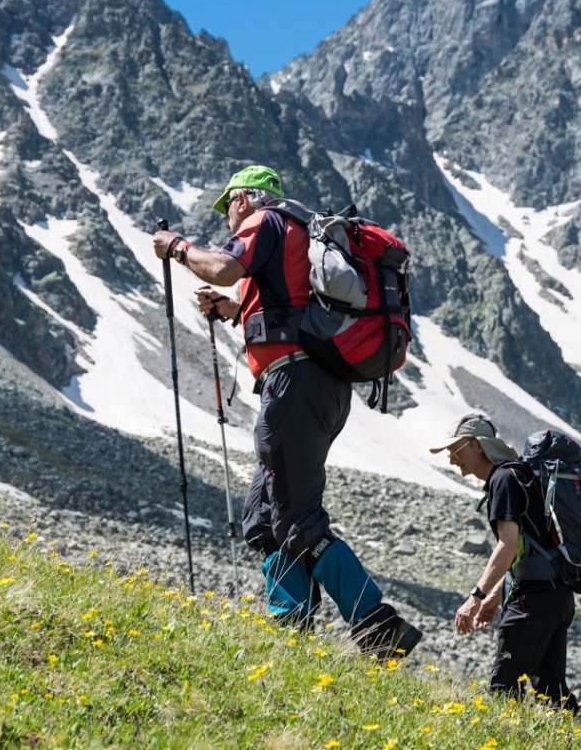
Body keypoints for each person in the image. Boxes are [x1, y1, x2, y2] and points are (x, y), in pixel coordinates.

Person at [152, 165, 421, 658]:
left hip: (296, 386)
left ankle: (379, 625)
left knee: (298, 519)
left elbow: (225, 267)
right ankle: (289, 636)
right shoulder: (295, 238)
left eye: (229, 204)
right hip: (315, 385)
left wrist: (178, 247)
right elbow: (290, 313)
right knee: (263, 519)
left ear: (247, 198)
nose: (229, 217)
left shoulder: (268, 221)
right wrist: (231, 312)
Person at [430, 412, 581, 712]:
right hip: (555, 594)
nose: (452, 459)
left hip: (533, 599)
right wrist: (496, 595)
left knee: (503, 688)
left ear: (477, 445)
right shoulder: (517, 475)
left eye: (456, 450)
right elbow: (529, 546)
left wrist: (475, 597)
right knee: (553, 694)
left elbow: (508, 545)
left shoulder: (503, 480)